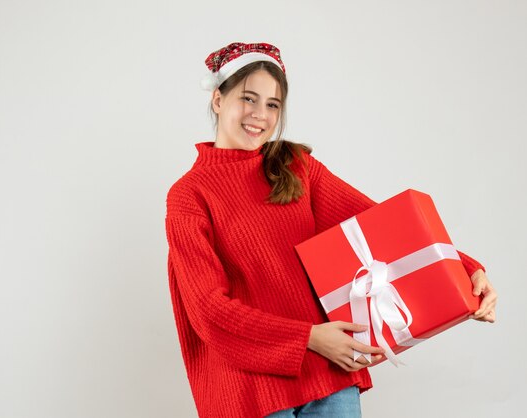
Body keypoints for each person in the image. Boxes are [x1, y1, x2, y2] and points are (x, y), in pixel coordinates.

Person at [164, 42, 497, 418]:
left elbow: (385, 227)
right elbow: (209, 311)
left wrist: (466, 268)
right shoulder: (189, 196)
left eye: (273, 105)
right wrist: (308, 338)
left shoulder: (296, 166)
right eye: (248, 99)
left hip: (329, 374)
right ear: (218, 99)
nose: (260, 115)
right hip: (249, 390)